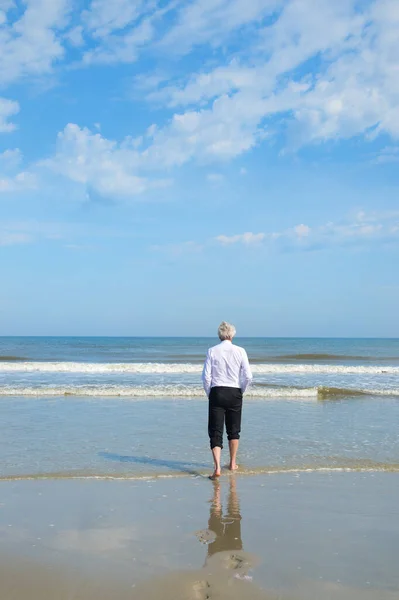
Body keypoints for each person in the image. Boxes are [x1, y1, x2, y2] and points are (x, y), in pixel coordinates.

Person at [202, 322, 253, 480]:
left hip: (217, 391)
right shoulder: (240, 351)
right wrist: (241, 390)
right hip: (234, 391)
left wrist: (210, 393)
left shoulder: (212, 351)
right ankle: (232, 463)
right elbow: (248, 376)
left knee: (215, 431)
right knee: (234, 429)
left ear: (219, 335)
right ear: (232, 335)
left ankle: (217, 468)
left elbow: (206, 377)